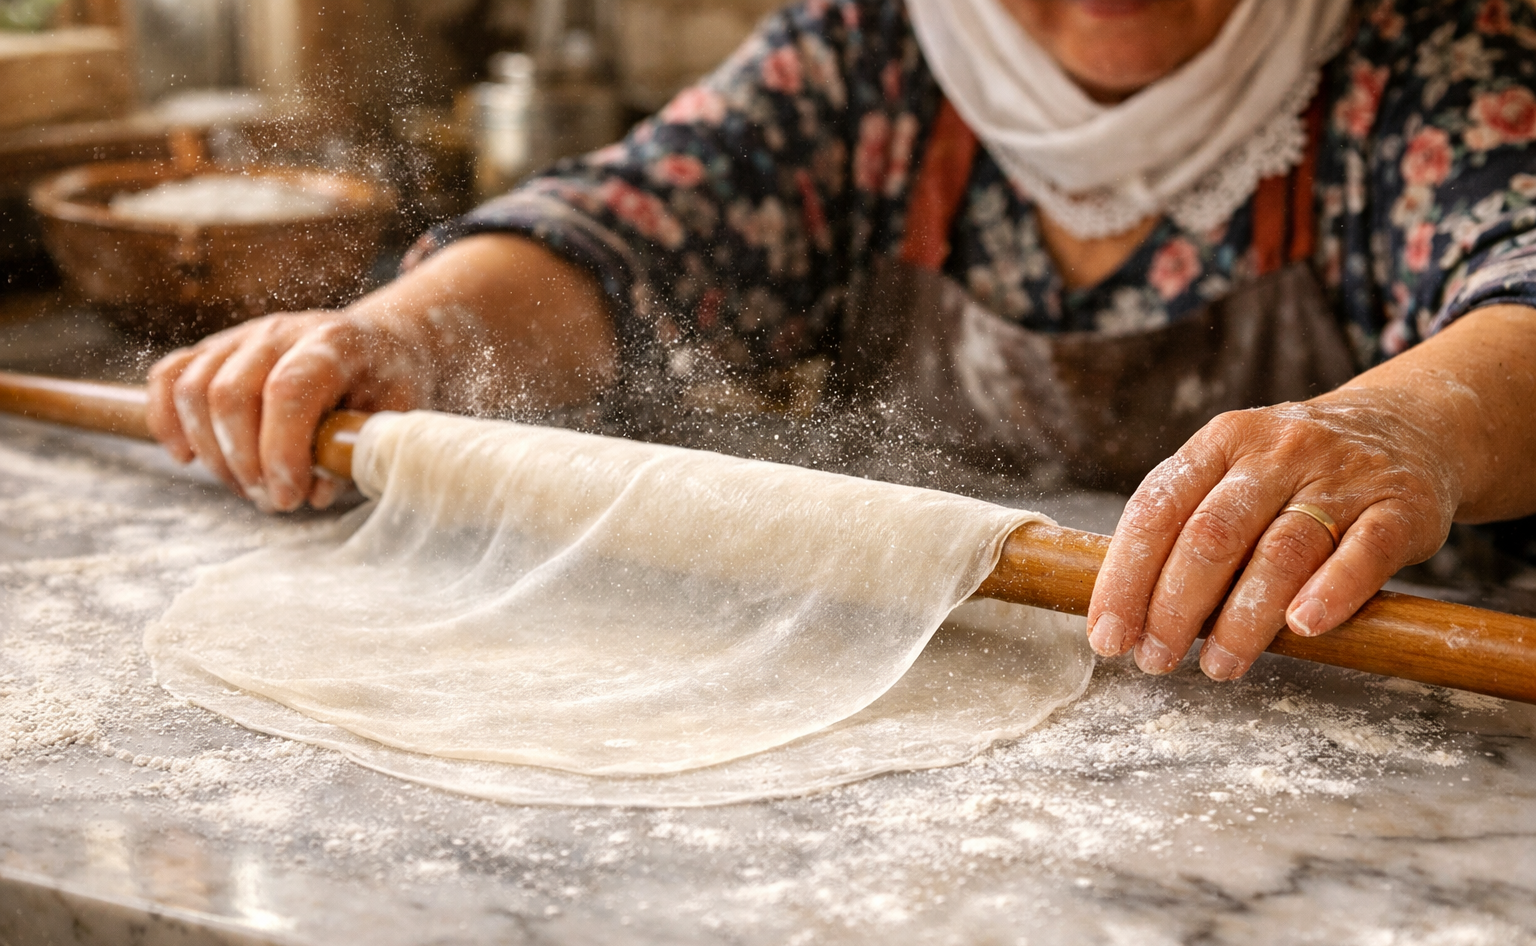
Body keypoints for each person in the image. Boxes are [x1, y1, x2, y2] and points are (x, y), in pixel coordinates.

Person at [146, 0, 1536, 686]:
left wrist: (1413, 426)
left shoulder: (1418, 54)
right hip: (944, 692)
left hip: (1353, 696)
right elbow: (626, 234)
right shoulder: (877, 52)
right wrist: (407, 338)